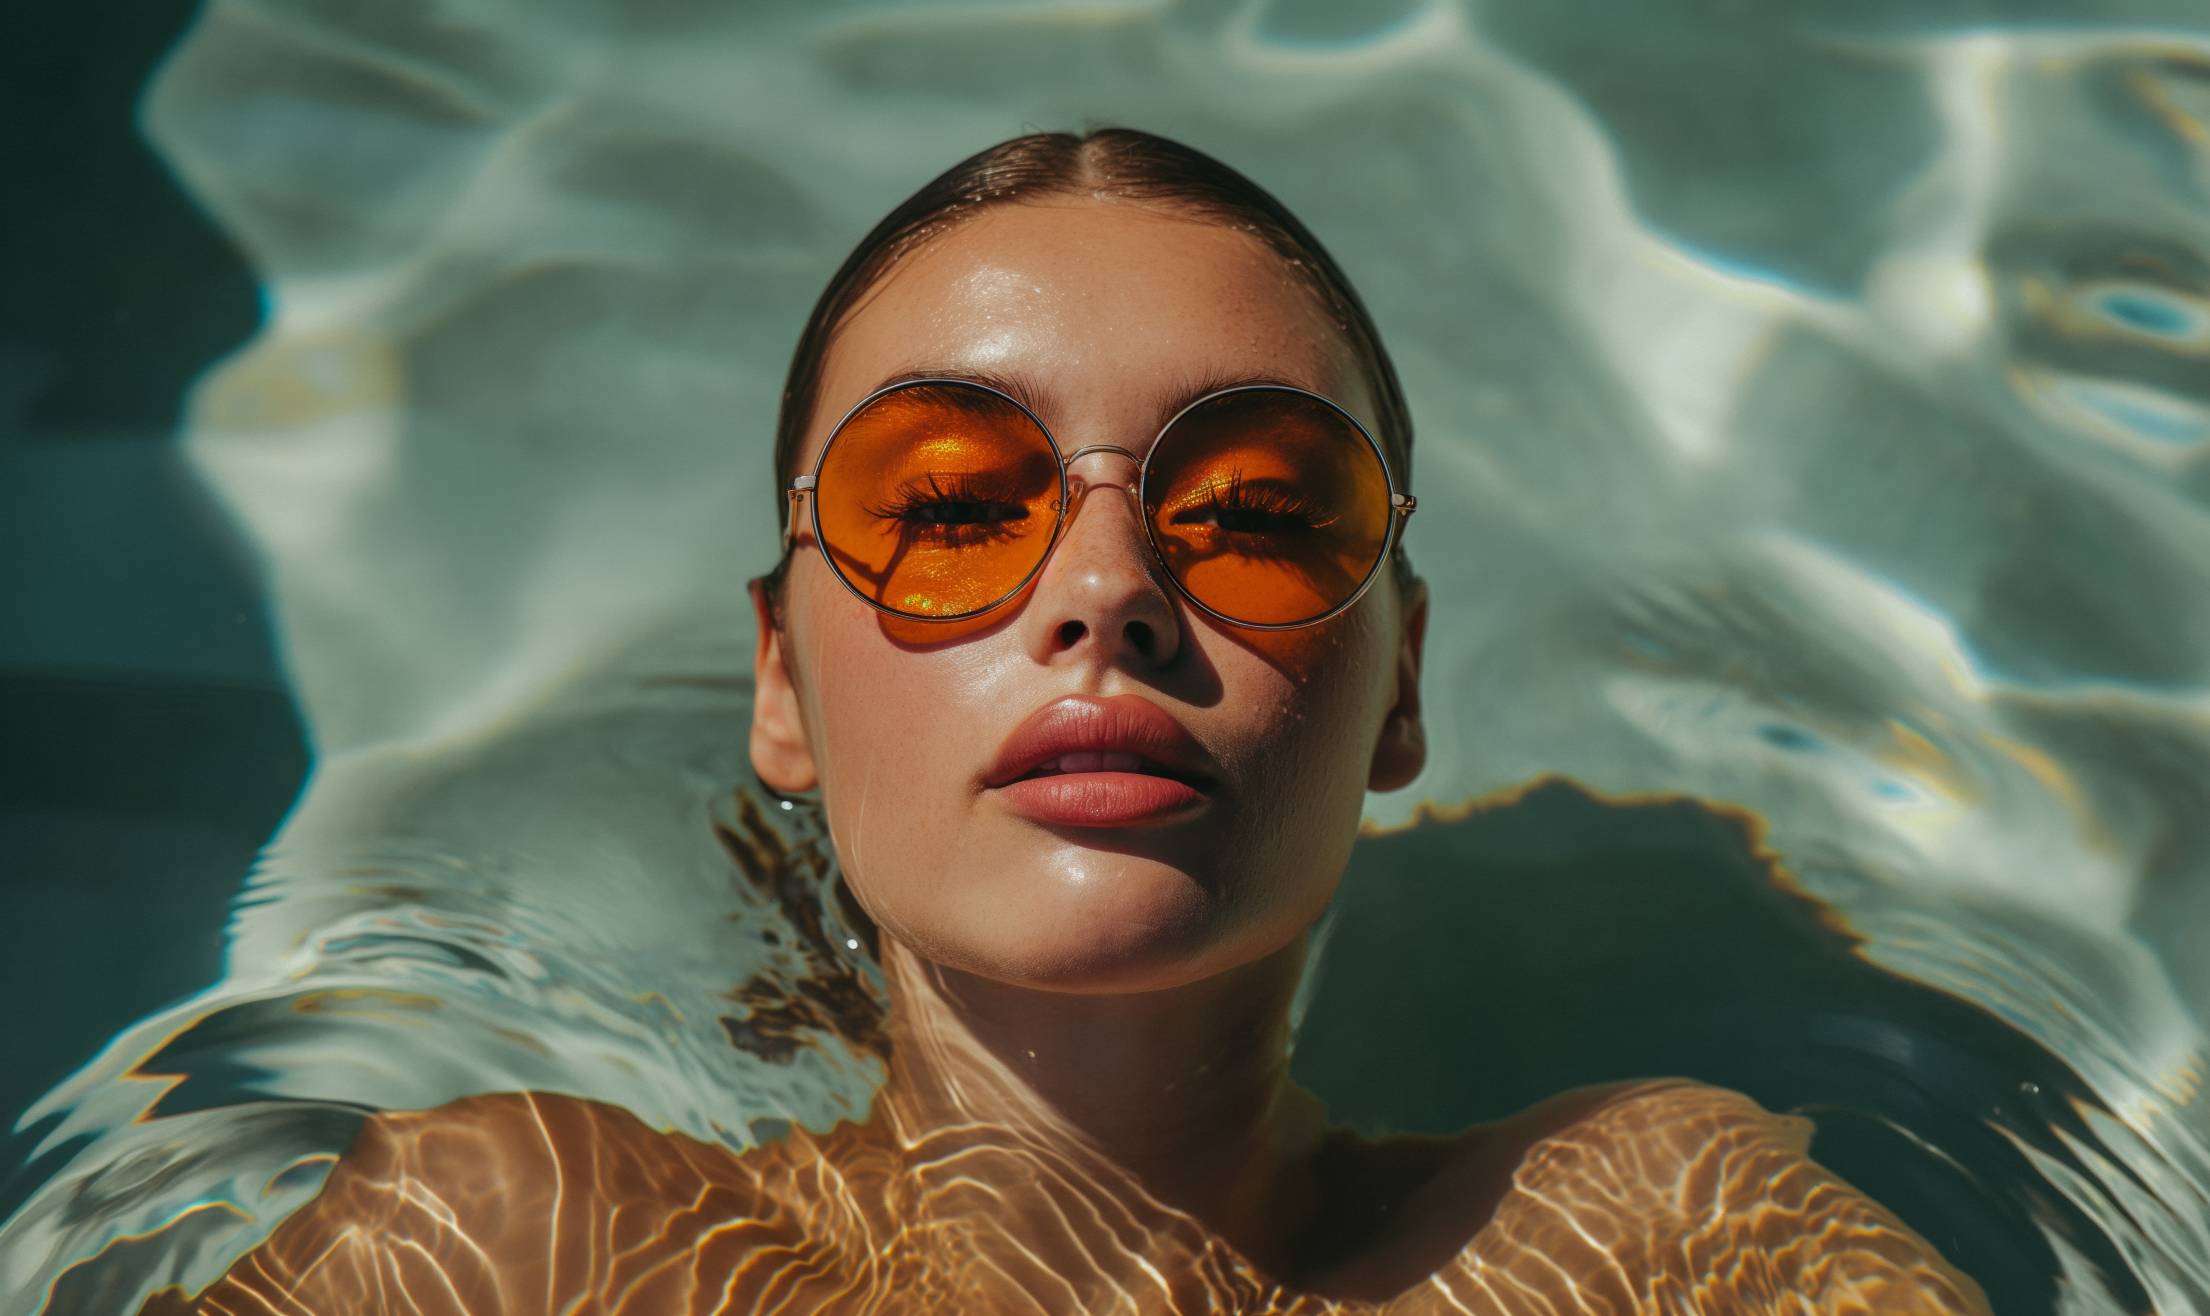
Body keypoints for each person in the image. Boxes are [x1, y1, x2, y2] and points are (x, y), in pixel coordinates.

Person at [142, 128, 1991, 1315]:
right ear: (780, 682)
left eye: (1259, 512)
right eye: (949, 506)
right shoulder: (523, 1245)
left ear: (1401, 680)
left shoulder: (1657, 1241)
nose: (1103, 583)